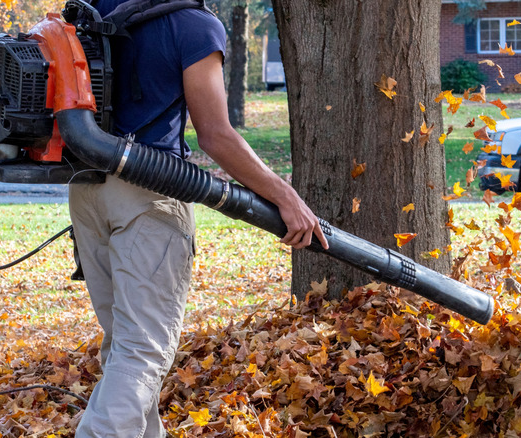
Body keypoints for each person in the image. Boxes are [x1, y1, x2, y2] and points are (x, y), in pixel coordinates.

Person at [68, 1, 329, 436]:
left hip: (88, 187)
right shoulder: (193, 24)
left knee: (124, 346)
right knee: (143, 353)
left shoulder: (98, 6)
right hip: (149, 194)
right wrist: (286, 195)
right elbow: (216, 134)